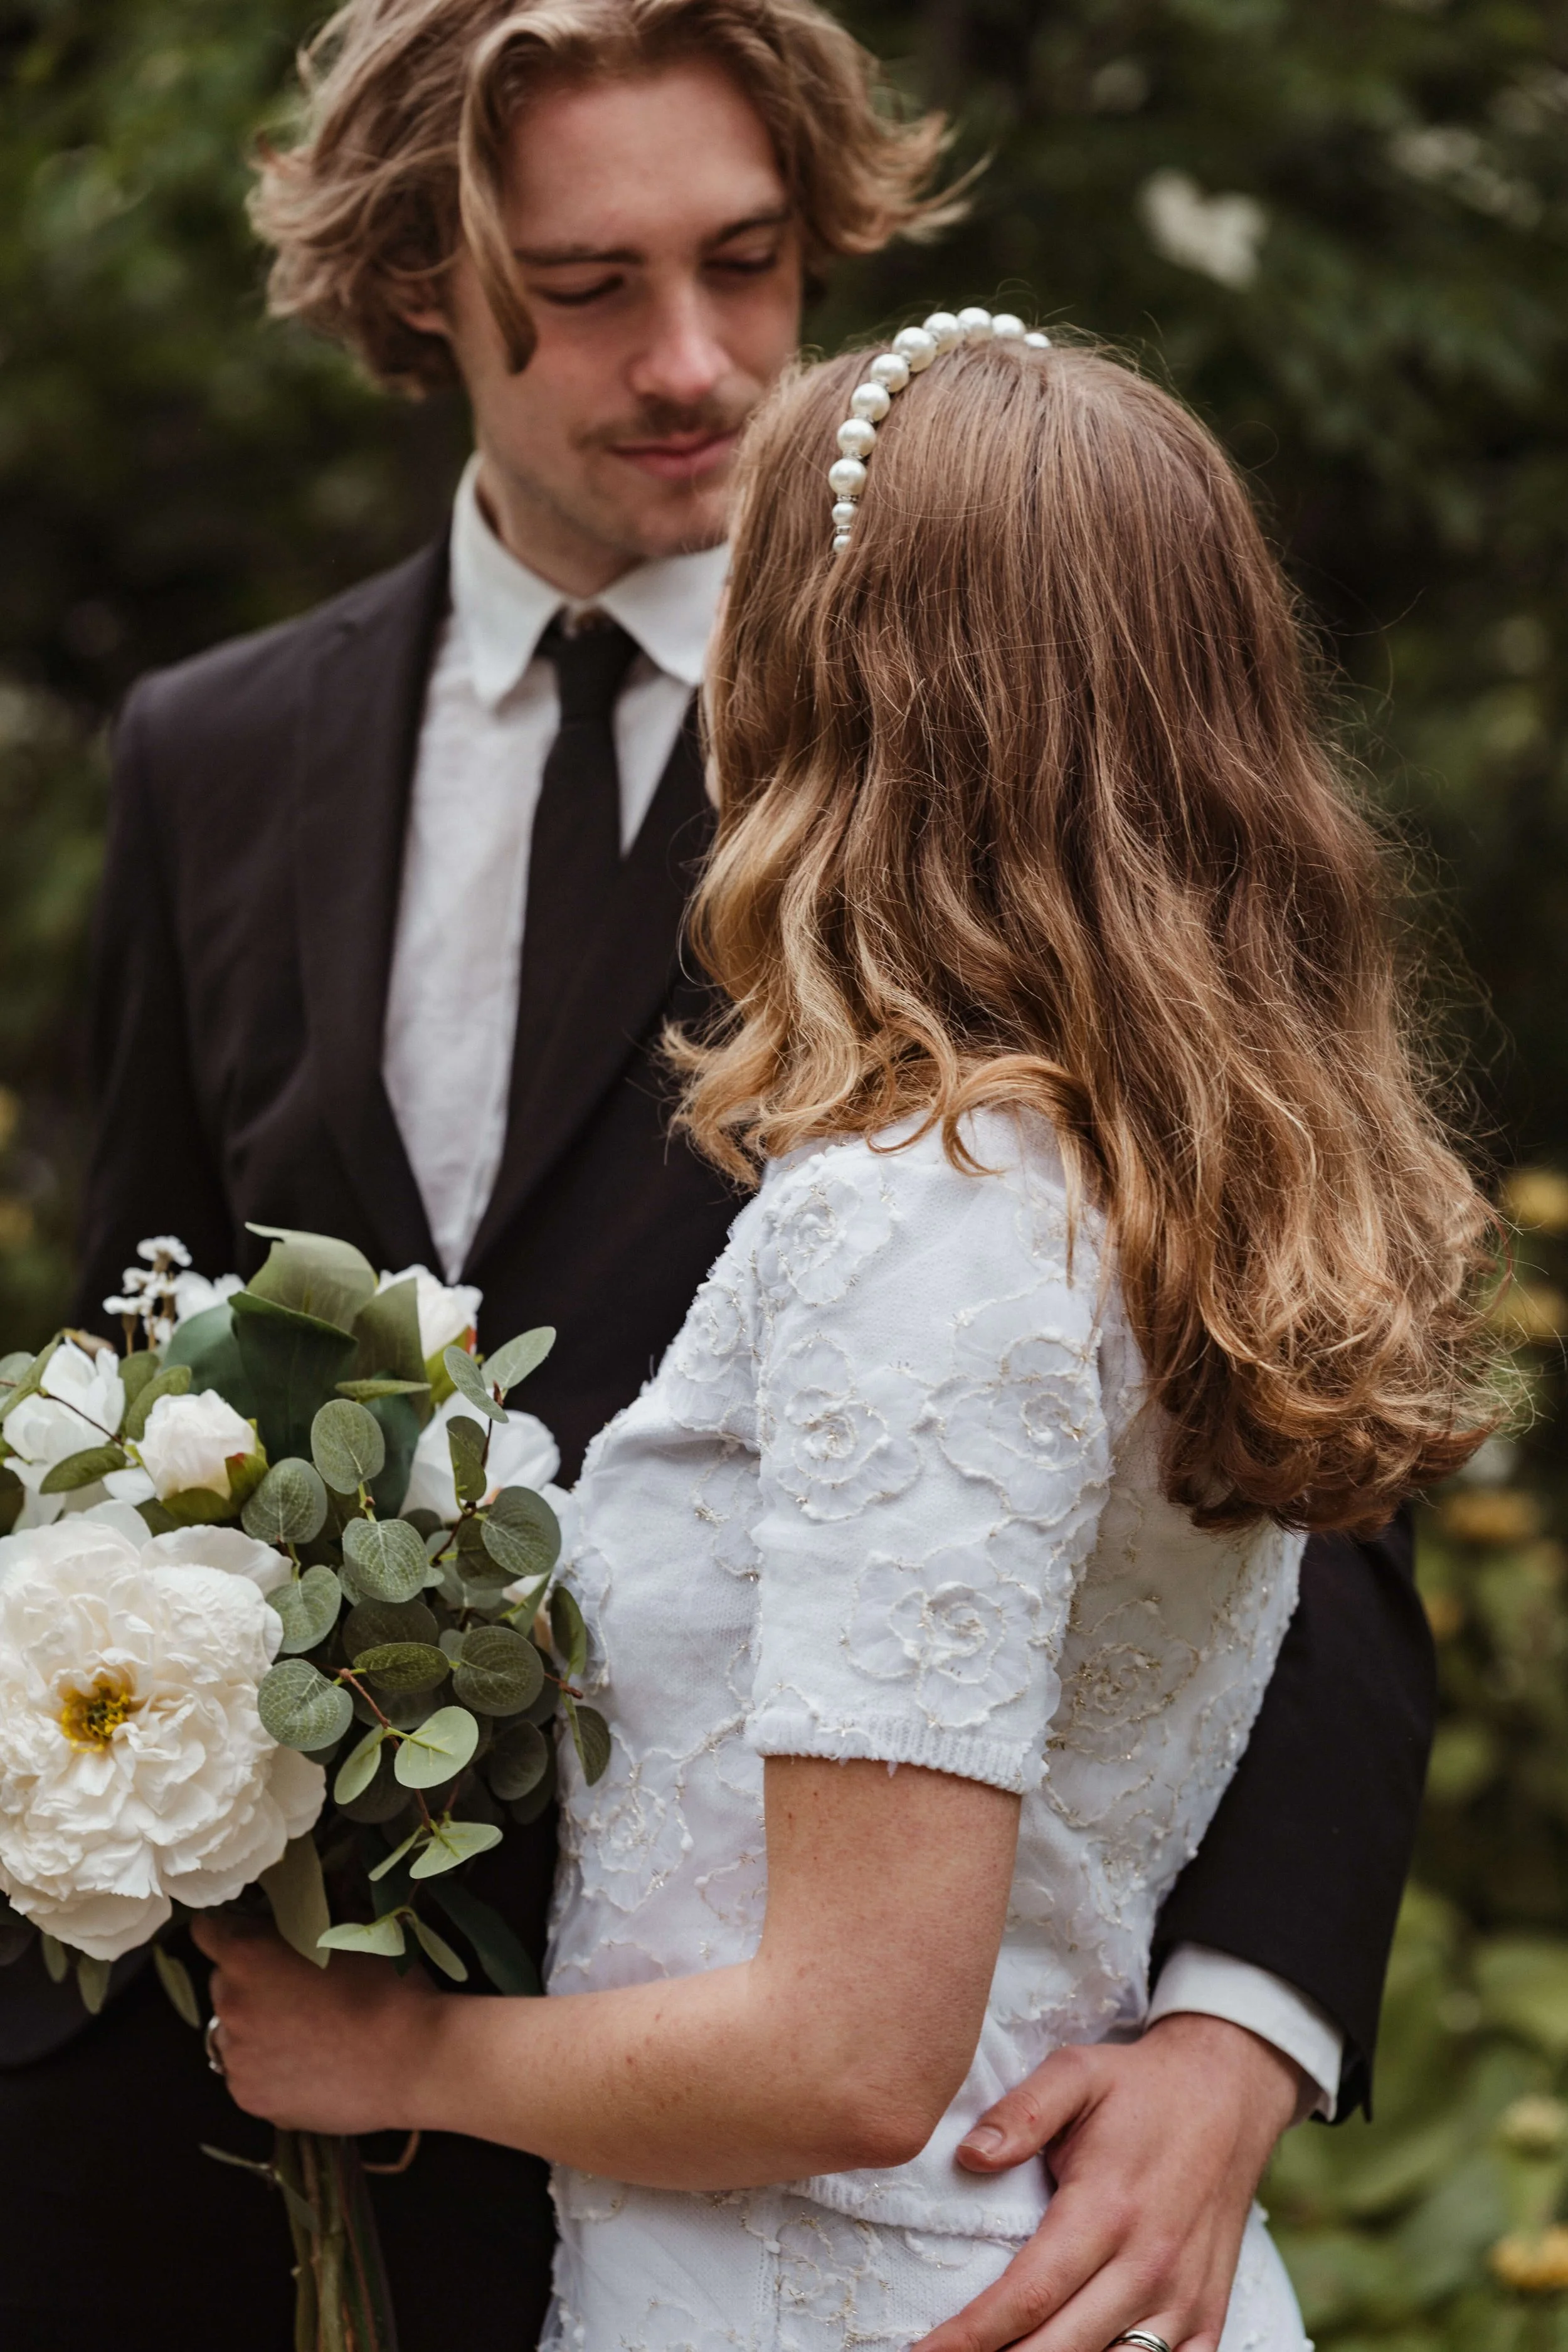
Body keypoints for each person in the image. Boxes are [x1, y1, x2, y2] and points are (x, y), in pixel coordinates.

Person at [0, 4, 1435, 2348]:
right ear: (421, 289)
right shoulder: (215, 755)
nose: (696, 364)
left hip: (828, 2153)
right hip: (265, 2135)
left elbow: (1287, 1430)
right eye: (584, 287)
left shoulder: (955, 786)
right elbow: (128, 1375)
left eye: (753, 265)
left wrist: (1235, 2026)